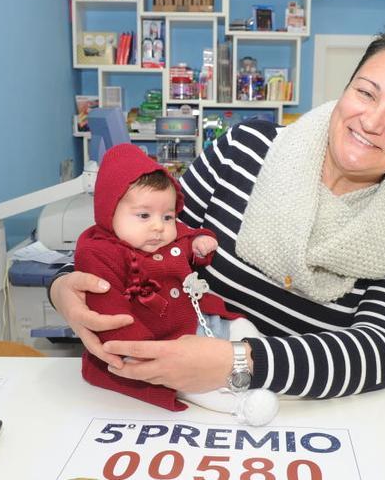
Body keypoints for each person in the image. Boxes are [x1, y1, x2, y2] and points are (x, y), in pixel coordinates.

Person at [49, 17, 385, 401]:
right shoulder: (245, 149)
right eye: (366, 93)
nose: (372, 122)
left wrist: (239, 361)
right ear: (346, 88)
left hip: (301, 422)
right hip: (172, 400)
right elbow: (136, 243)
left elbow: (378, 352)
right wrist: (63, 288)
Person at [74, 143, 278, 424]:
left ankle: (268, 373)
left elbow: (187, 235)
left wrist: (198, 243)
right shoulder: (99, 253)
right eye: (144, 215)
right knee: (194, 385)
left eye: (167, 216)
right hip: (159, 342)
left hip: (203, 321)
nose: (159, 226)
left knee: (244, 329)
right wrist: (148, 357)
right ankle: (240, 406)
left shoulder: (162, 234)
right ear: (108, 213)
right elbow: (112, 317)